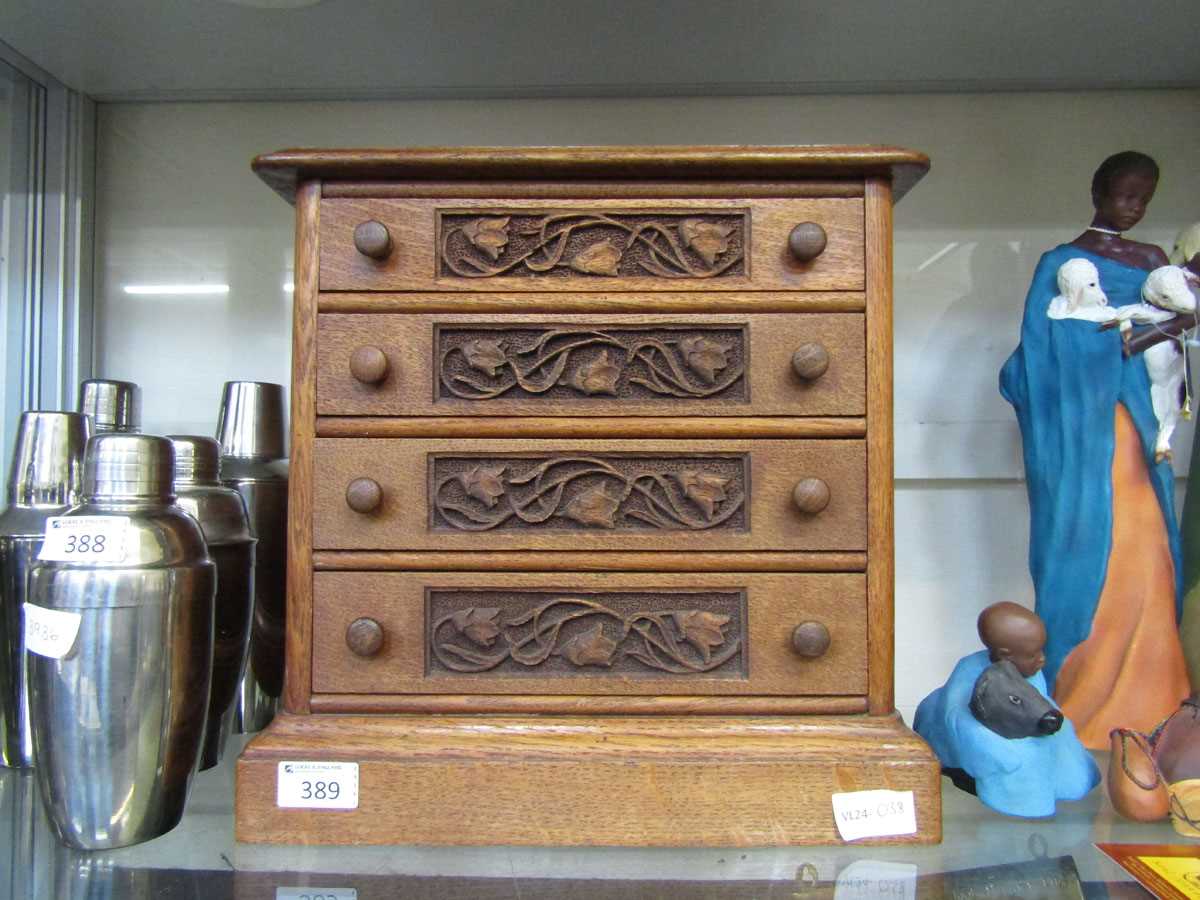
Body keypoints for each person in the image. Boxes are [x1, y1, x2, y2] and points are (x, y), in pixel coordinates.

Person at [999, 150, 1191, 749]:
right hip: (1086, 440)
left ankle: (1156, 704)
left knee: (1150, 556)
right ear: (1098, 191)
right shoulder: (1060, 262)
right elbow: (1040, 357)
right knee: (1092, 548)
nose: (1132, 208)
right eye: (1123, 195)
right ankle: (1080, 705)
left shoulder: (1158, 261)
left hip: (1140, 431)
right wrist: (1157, 331)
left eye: (1144, 198)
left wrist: (1165, 333)